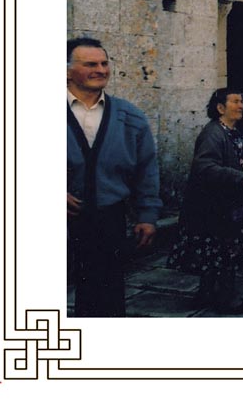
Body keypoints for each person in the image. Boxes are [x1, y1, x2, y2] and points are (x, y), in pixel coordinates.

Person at [66, 37, 162, 316]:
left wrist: (147, 215)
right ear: (67, 70)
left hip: (108, 218)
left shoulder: (130, 116)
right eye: (90, 64)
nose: (101, 69)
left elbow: (146, 168)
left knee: (106, 295)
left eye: (104, 63)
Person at [168, 88, 243, 314]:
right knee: (223, 252)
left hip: (229, 202)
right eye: (235, 102)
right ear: (220, 108)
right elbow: (205, 166)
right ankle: (228, 299)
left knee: (220, 252)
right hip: (215, 205)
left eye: (241, 101)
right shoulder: (213, 133)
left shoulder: (233, 131)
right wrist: (241, 178)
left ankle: (207, 294)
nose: (241, 106)